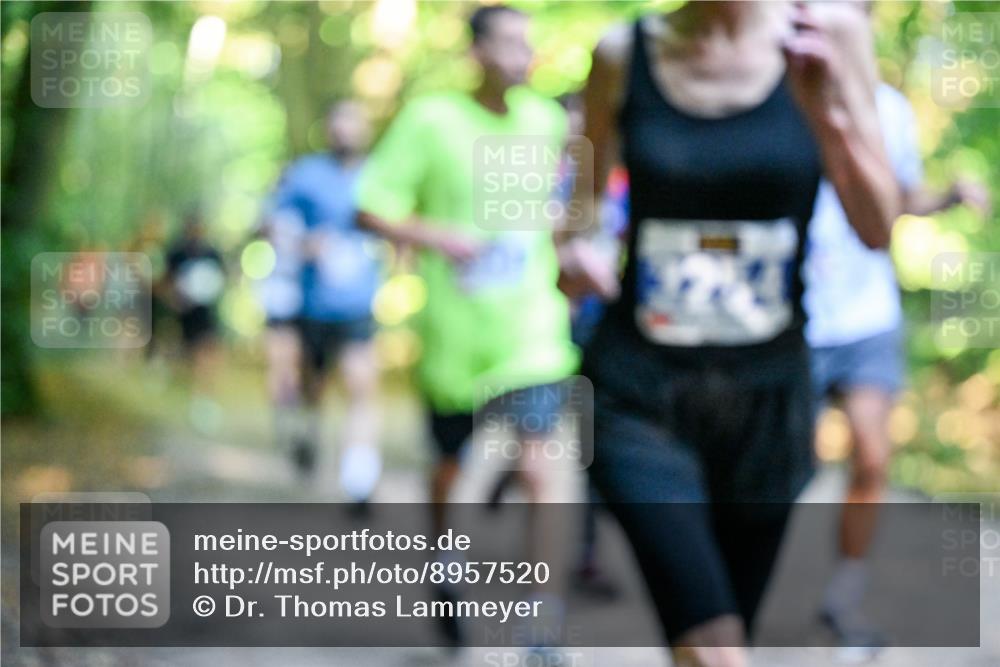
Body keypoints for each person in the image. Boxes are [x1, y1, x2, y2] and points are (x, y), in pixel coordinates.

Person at [557, 2, 899, 666]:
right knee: (716, 648)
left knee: (720, 630)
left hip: (768, 402)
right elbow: (581, 202)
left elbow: (878, 226)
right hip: (638, 393)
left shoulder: (830, 34)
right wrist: (573, 248)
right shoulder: (621, 52)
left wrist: (828, 116)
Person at [356, 4, 578, 647]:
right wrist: (437, 237)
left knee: (545, 470)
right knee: (452, 471)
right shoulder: (431, 119)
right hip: (455, 337)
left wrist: (575, 250)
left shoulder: (546, 121)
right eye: (506, 43)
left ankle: (544, 624)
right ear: (475, 53)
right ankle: (445, 561)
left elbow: (562, 209)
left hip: (535, 329)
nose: (521, 54)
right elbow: (372, 207)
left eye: (527, 43)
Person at [806, 66, 991, 653]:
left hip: (865, 315)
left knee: (873, 457)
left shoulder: (889, 109)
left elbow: (902, 195)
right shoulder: (776, 91)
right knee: (781, 470)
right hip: (794, 317)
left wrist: (948, 196)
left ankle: (843, 598)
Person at [269, 101, 383, 507]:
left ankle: (358, 479)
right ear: (328, 129)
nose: (345, 130)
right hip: (312, 306)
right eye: (338, 121)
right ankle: (308, 434)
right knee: (312, 388)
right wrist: (303, 244)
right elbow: (274, 226)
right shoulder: (305, 175)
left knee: (360, 386)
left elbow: (399, 222)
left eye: (353, 120)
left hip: (358, 306)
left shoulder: (380, 175)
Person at [163, 210, 227, 434]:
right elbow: (165, 282)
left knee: (207, 354)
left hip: (206, 315)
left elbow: (222, 280)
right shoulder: (176, 251)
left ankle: (203, 401)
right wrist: (175, 299)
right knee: (187, 358)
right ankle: (187, 392)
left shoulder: (212, 253)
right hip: (183, 316)